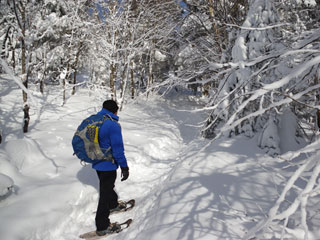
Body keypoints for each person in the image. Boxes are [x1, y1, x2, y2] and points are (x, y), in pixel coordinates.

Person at [93, 100, 129, 236]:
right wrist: (124, 167)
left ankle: (113, 204)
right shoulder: (112, 125)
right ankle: (102, 226)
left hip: (96, 161)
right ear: (115, 111)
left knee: (107, 186)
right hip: (108, 164)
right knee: (104, 194)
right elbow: (118, 150)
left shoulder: (96, 120)